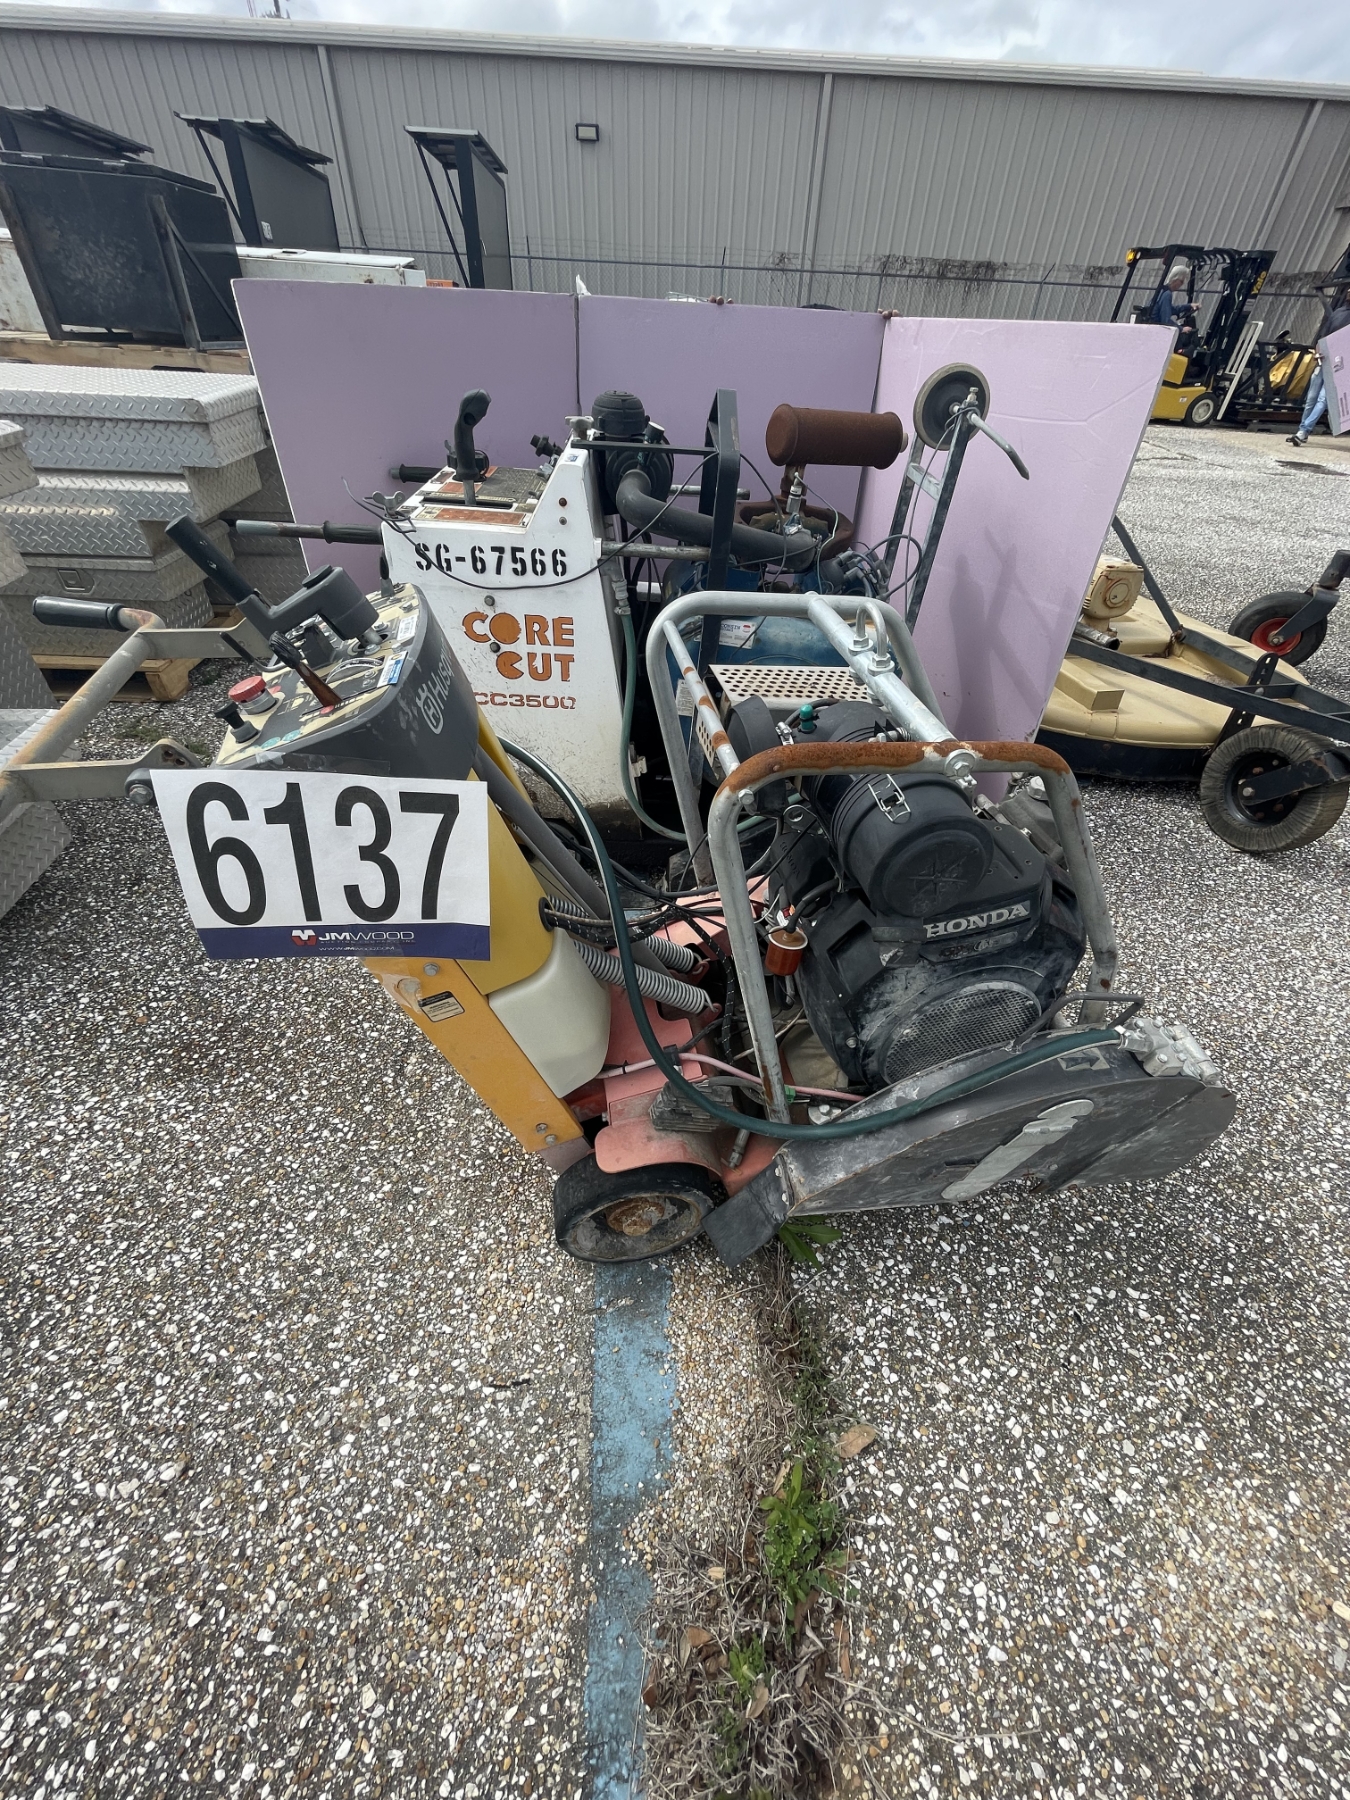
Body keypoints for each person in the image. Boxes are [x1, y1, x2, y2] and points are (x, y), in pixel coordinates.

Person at [1289, 287, 1350, 446]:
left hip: (1341, 364)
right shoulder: (1338, 313)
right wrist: (1317, 352)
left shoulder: (1339, 313)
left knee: (1323, 398)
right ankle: (1302, 432)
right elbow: (1323, 336)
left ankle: (1303, 431)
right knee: (1311, 398)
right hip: (1325, 360)